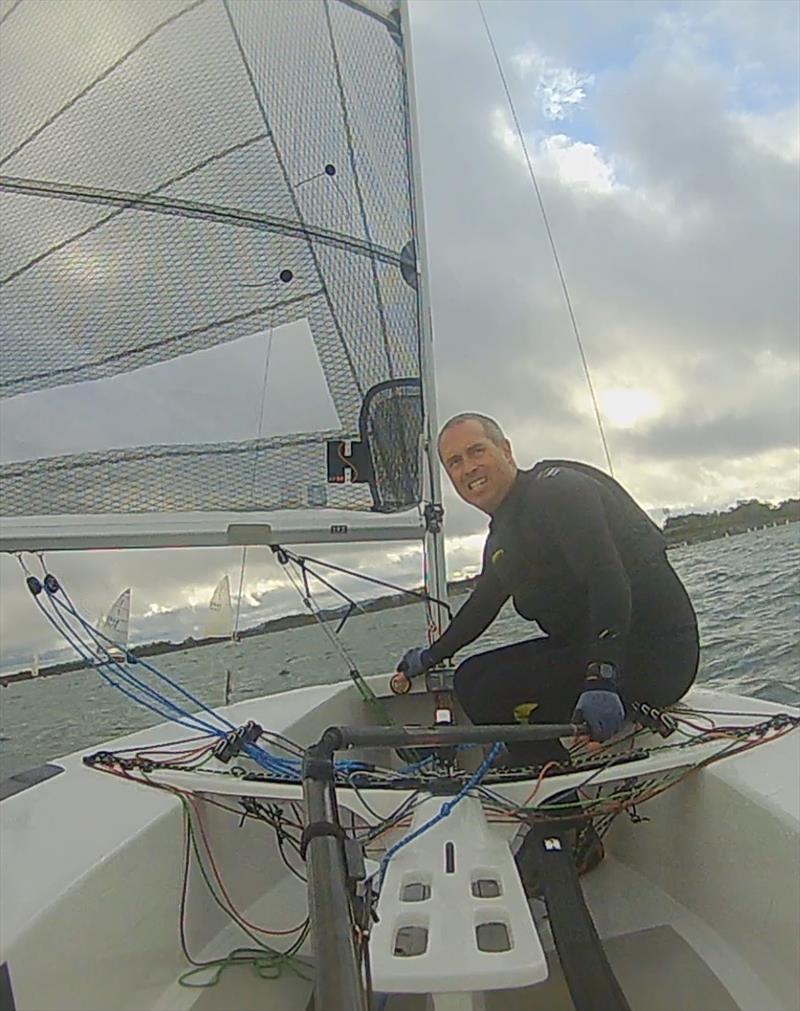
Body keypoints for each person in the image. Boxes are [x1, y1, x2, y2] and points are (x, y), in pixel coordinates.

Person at [397, 413, 699, 886]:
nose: (468, 467)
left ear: (507, 450)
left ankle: (569, 831)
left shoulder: (557, 492)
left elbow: (608, 579)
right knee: (472, 679)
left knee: (495, 693)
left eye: (477, 450)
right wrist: (429, 657)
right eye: (454, 462)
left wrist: (602, 677)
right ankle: (557, 803)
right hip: (599, 655)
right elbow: (483, 605)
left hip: (654, 653)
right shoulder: (505, 534)